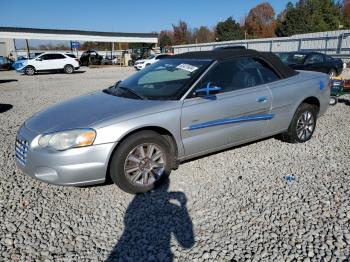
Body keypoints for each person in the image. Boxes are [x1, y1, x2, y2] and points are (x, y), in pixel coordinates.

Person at [107, 179, 194, 261]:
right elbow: (187, 244)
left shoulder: (137, 203)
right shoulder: (174, 207)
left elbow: (127, 219)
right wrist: (183, 206)